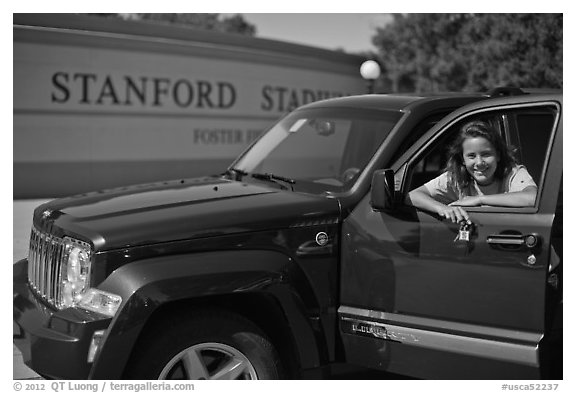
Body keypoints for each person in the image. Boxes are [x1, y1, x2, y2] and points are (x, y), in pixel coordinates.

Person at [407, 120, 537, 223]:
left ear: (498, 155)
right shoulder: (456, 177)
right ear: (462, 159)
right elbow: (413, 196)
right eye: (471, 156)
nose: (479, 163)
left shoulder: (512, 173)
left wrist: (479, 200)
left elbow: (533, 198)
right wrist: (443, 209)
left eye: (486, 154)